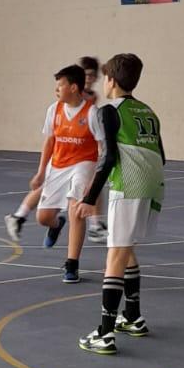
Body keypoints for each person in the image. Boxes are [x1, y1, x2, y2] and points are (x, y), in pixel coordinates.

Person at [74, 53, 165, 354]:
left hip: (129, 184)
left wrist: (88, 199)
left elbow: (108, 158)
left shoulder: (108, 110)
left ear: (110, 80)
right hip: (153, 183)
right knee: (127, 249)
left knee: (114, 255)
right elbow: (161, 154)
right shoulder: (148, 111)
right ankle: (133, 317)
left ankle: (104, 333)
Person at [4, 66, 97, 282]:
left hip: (83, 164)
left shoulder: (92, 113)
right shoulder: (54, 110)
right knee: (43, 218)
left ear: (73, 88)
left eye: (60, 85)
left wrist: (94, 180)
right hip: (58, 165)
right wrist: (40, 172)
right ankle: (57, 225)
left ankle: (72, 264)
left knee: (76, 210)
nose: (56, 89)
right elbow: (49, 141)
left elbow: (102, 148)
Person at [80, 55, 107, 244]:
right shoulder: (75, 93)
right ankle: (20, 215)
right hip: (74, 148)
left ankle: (95, 225)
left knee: (96, 185)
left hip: (89, 146)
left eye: (92, 75)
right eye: (86, 75)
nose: (89, 79)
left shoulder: (93, 96)